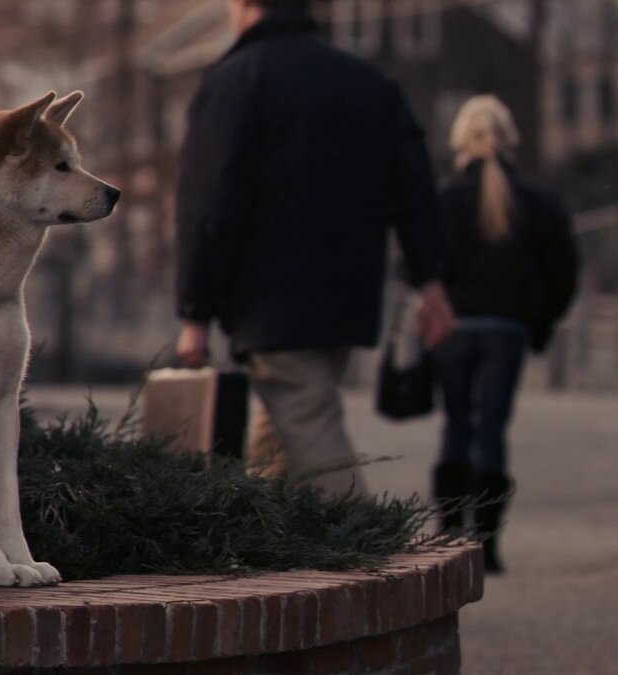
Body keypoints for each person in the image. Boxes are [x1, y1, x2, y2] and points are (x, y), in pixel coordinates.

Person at [174, 0, 455, 495]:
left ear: (244, 7)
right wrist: (430, 278)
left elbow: (210, 202)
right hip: (349, 296)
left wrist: (196, 311)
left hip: (270, 300)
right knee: (281, 433)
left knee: (307, 422)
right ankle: (265, 544)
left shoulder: (236, 80)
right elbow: (415, 188)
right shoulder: (368, 82)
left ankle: (371, 549)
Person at [430, 96, 579, 573]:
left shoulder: (446, 199)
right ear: (510, 138)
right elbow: (564, 272)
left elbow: (417, 262)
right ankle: (488, 545)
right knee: (492, 430)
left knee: (456, 424)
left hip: (453, 329)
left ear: (461, 140)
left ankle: (448, 532)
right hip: (508, 331)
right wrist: (540, 321)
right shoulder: (537, 202)